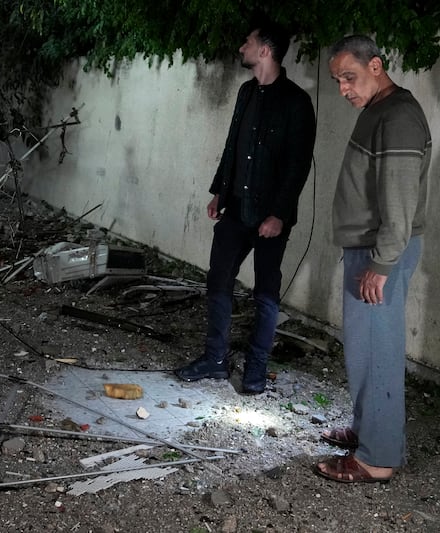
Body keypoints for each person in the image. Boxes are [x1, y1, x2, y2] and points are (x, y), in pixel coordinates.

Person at [174, 21, 316, 393]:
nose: (242, 48)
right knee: (218, 280)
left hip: (270, 216)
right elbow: (233, 146)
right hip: (236, 207)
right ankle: (215, 360)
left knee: (266, 293)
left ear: (265, 50)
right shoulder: (245, 93)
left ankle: (255, 370)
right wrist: (220, 191)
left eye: (248, 42)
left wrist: (279, 215)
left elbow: (297, 165)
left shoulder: (296, 102)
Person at [315, 35, 432, 483]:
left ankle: (377, 458)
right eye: (338, 80)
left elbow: (399, 202)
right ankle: (369, 432)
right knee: (363, 351)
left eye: (350, 76)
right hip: (370, 248)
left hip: (381, 252)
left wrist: (381, 265)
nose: (344, 88)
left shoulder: (397, 115)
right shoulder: (380, 111)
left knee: (378, 352)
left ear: (377, 65)